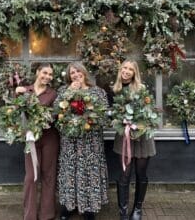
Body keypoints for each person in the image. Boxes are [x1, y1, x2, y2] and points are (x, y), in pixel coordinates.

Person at [54, 62, 109, 220]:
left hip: (91, 142)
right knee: (70, 173)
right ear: (69, 76)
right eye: (72, 73)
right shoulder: (64, 90)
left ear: (84, 73)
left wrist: (91, 118)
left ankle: (89, 209)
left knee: (89, 173)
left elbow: (104, 115)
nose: (76, 74)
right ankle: (69, 206)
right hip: (70, 142)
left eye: (78, 71)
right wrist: (70, 92)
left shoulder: (97, 91)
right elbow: (56, 109)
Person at [112, 60, 156, 220]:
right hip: (123, 138)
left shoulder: (141, 89)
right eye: (125, 67)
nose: (127, 71)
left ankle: (137, 209)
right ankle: (123, 211)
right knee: (124, 175)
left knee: (140, 173)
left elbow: (149, 112)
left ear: (135, 73)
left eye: (131, 69)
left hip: (142, 137)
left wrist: (138, 124)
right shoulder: (114, 90)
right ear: (120, 69)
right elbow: (112, 114)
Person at [16, 63, 59, 220]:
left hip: (49, 138)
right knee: (31, 176)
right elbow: (15, 112)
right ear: (37, 72)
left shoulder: (53, 94)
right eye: (44, 73)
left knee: (48, 175)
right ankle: (30, 215)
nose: (47, 77)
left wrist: (45, 119)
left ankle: (47, 214)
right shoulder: (25, 91)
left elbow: (55, 116)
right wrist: (16, 94)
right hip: (30, 139)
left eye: (50, 75)